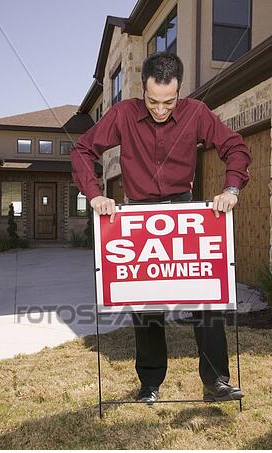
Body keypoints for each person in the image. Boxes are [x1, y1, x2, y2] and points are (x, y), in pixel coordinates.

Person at [71, 52, 251, 404]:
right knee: (146, 306)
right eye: (153, 101)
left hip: (185, 211)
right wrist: (95, 195)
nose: (160, 109)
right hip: (137, 214)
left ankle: (216, 383)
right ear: (142, 90)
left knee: (206, 299)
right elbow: (81, 150)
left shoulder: (197, 113)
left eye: (169, 102)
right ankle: (150, 384)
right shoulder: (122, 114)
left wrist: (231, 189)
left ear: (179, 91)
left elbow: (235, 147)